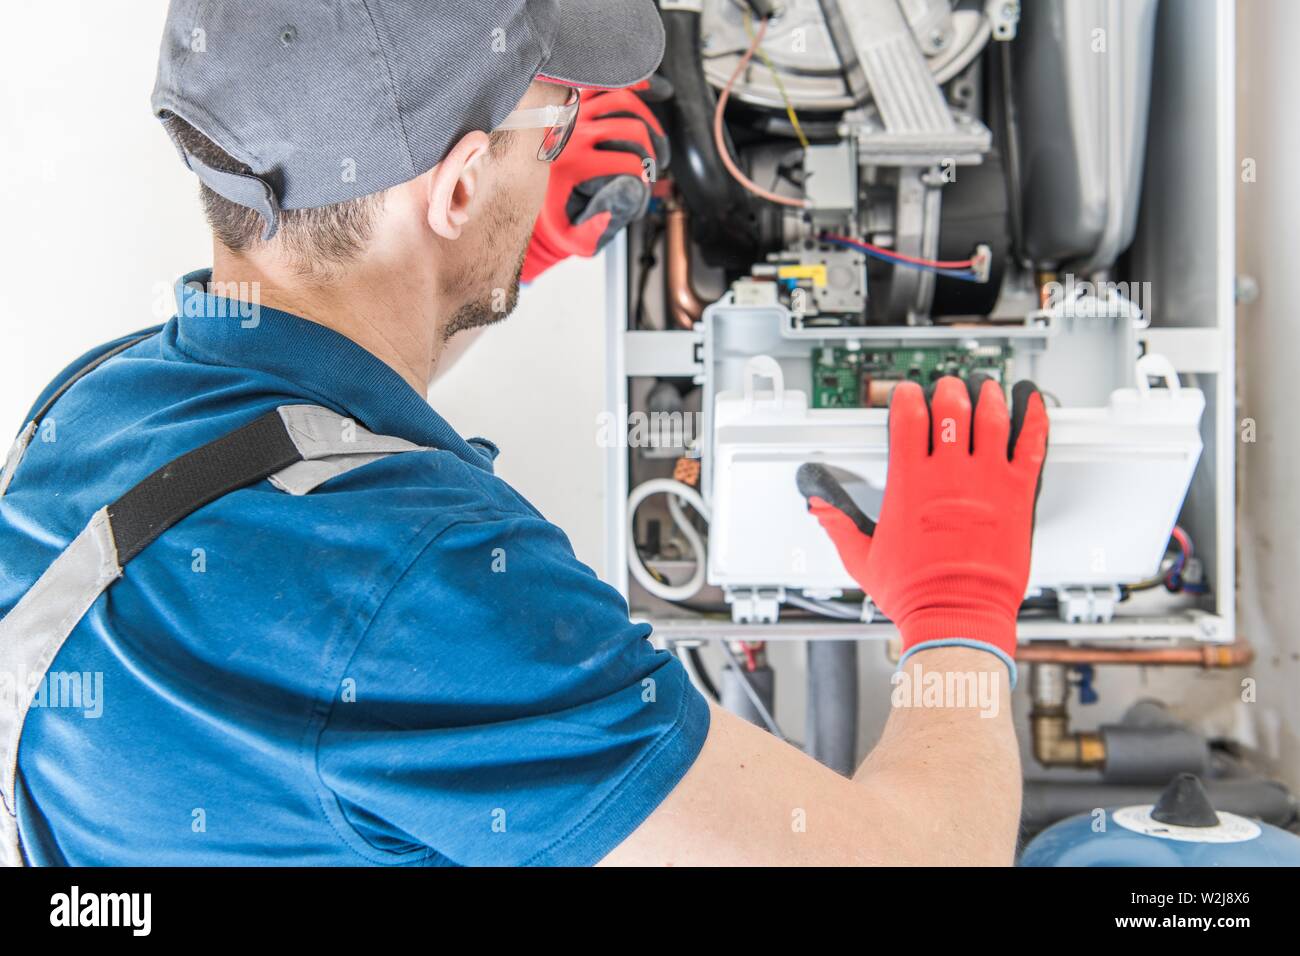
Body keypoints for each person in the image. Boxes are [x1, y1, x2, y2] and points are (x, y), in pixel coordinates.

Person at [0, 0, 1046, 867]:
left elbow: (308, 435)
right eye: (552, 131)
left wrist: (488, 264)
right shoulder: (425, 592)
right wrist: (959, 615)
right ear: (455, 188)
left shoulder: (94, 405)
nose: (562, 155)